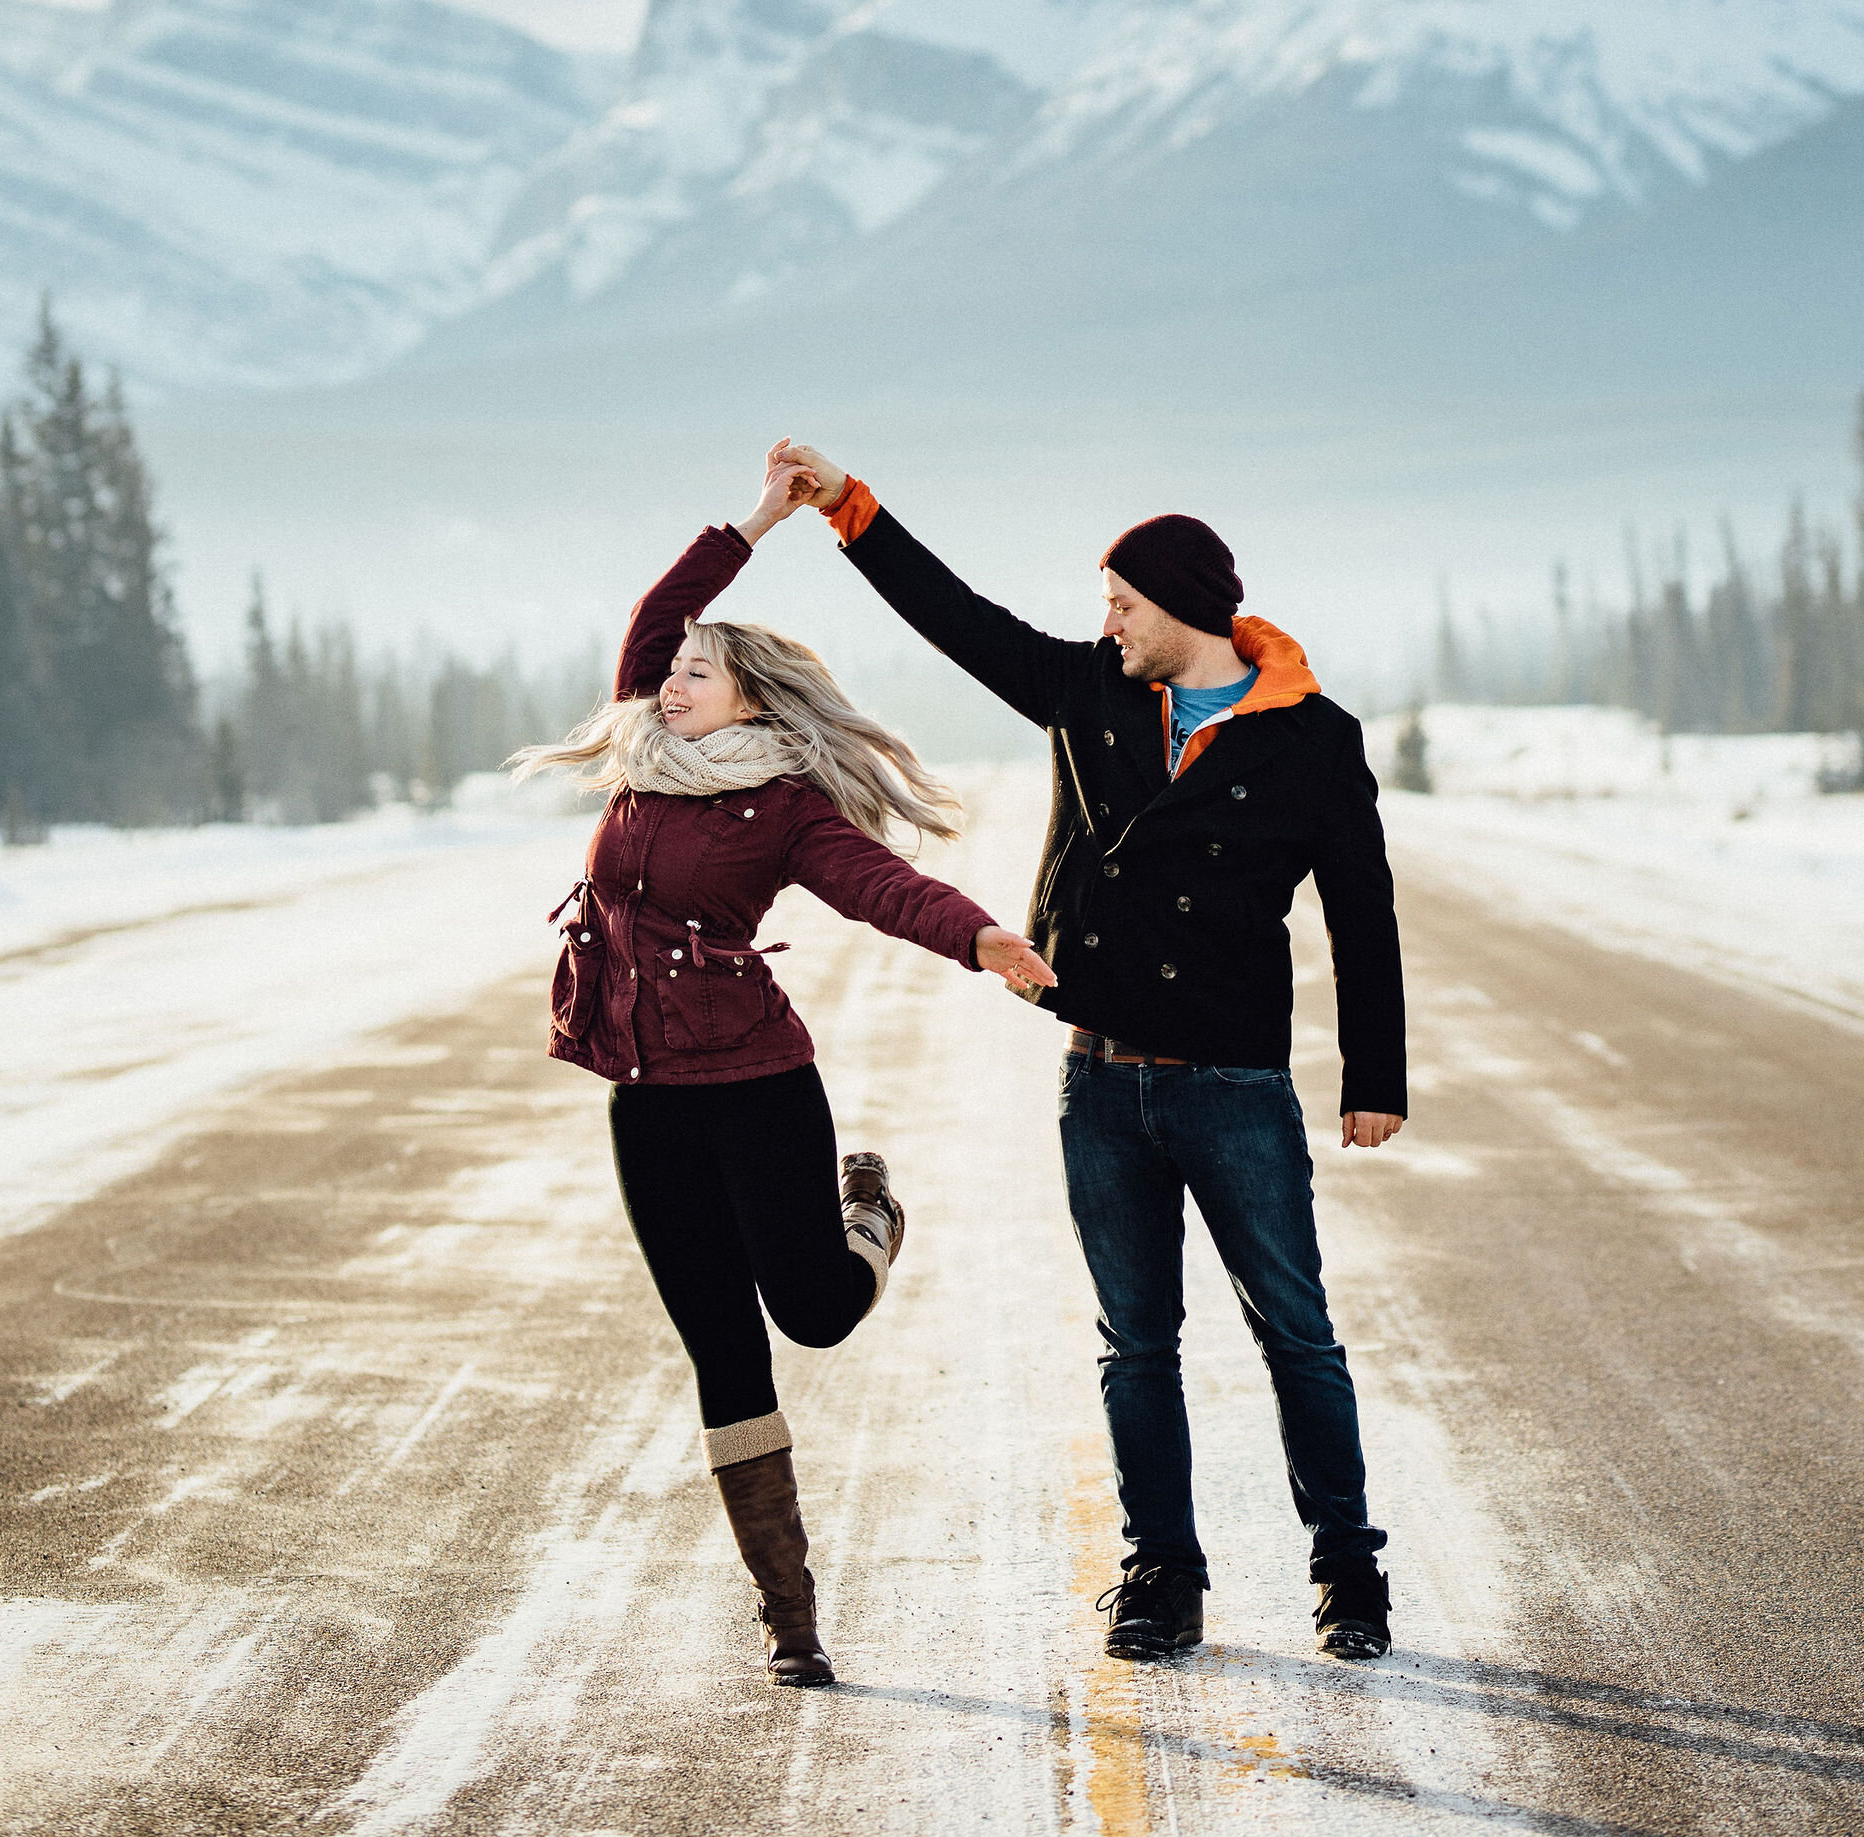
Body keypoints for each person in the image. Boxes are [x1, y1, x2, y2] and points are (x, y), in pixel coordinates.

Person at [775, 442, 1407, 1667]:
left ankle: (1346, 1572)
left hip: (1233, 1083)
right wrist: (849, 512)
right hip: (1100, 1075)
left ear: (1178, 610)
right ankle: (1161, 1578)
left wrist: (1371, 1079)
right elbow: (960, 623)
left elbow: (1360, 911)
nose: (1104, 622)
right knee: (1136, 1342)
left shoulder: (1314, 741)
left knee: (1296, 1334)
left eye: (1121, 604)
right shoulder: (1094, 693)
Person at [511, 446, 1053, 1688]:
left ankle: (865, 1215)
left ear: (748, 699)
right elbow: (655, 619)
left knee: (809, 1312)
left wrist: (977, 937)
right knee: (723, 1349)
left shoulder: (789, 805)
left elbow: (878, 883)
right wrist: (764, 514)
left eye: (697, 672)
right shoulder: (643, 751)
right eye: (673, 671)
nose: (671, 679)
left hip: (754, 1084)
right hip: (645, 1100)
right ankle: (790, 1617)